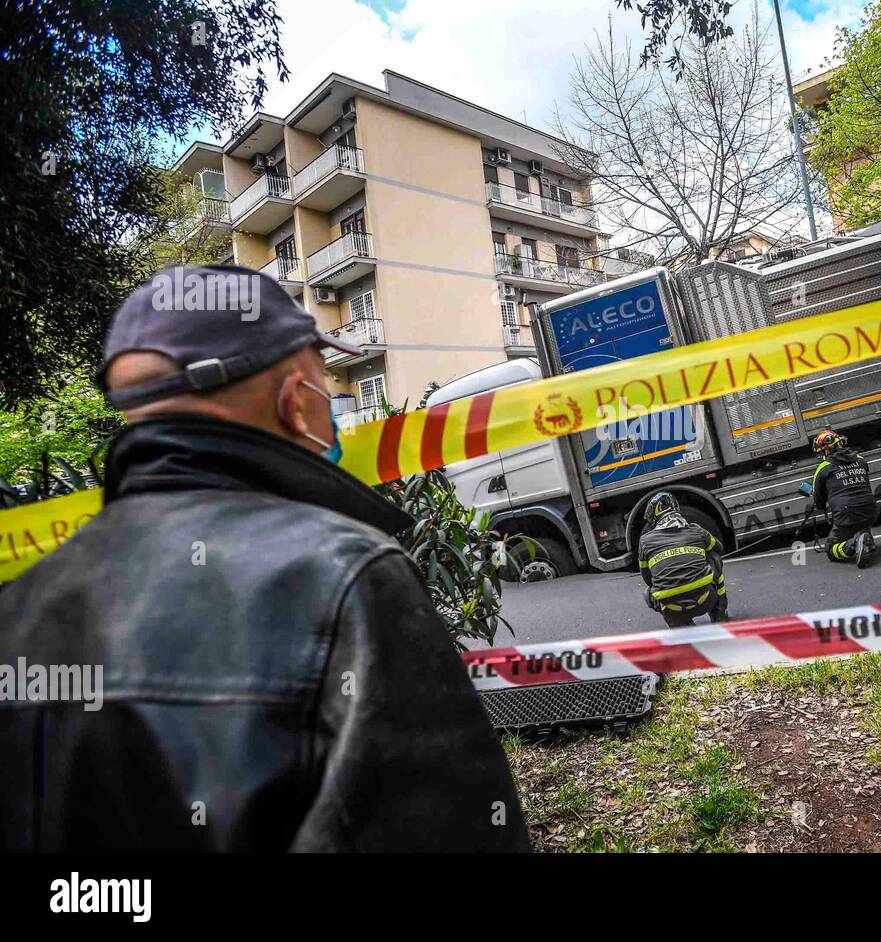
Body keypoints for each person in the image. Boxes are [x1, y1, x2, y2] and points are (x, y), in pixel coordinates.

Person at [0, 266, 530, 852]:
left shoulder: (23, 603)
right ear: (294, 402)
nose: (331, 403)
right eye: (323, 379)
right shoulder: (345, 577)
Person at [637, 491, 728, 628]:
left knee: (648, 592)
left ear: (653, 519)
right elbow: (718, 549)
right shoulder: (697, 530)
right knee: (714, 557)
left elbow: (647, 578)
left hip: (673, 609)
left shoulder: (644, 541)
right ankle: (719, 612)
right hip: (706, 600)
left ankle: (679, 624)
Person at [810, 429, 878, 569]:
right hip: (871, 509)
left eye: (821, 452)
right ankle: (866, 537)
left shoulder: (824, 467)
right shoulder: (860, 459)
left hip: (847, 513)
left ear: (826, 450)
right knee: (860, 515)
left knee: (831, 550)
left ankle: (853, 545)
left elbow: (818, 499)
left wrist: (822, 505)